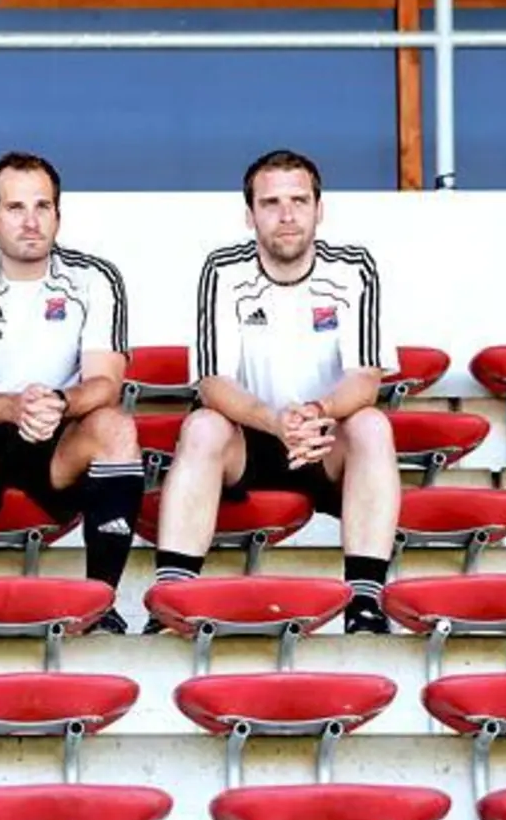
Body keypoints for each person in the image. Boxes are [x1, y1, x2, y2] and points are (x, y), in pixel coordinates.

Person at [151, 149, 401, 634]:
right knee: (202, 425)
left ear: (319, 208)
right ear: (250, 215)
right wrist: (274, 421)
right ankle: (173, 601)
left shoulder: (354, 268)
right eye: (271, 203)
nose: (287, 216)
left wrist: (316, 411)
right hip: (251, 436)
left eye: (299, 201)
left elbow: (365, 378)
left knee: (371, 424)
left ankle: (365, 602)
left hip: (325, 439)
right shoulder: (222, 270)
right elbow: (212, 382)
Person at [0, 151, 145, 634]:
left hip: (59, 435)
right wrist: (13, 408)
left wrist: (59, 404)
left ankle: (101, 605)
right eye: (16, 208)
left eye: (44, 207)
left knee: (116, 425)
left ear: (59, 214)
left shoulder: (96, 277)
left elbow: (105, 381)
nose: (32, 222)